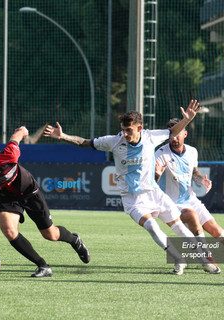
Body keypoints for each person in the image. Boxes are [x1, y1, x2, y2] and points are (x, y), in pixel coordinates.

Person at [44, 100, 219, 275]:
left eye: (129, 130)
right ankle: (177, 258)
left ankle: (205, 261)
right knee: (151, 226)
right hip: (132, 198)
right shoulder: (114, 141)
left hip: (154, 193)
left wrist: (187, 119)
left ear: (139, 128)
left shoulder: (151, 137)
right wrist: (63, 136)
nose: (125, 133)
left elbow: (173, 131)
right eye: (123, 129)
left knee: (179, 227)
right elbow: (86, 142)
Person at [0, 126, 90, 278]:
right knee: (8, 230)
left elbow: (17, 136)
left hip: (29, 192)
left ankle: (75, 240)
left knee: (50, 234)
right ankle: (43, 266)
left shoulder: (8, 155)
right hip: (7, 197)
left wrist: (23, 130)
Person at [155, 117, 224, 271]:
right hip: (171, 204)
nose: (174, 138)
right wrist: (157, 175)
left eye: (178, 134)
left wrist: (202, 180)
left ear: (185, 134)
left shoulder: (192, 151)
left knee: (217, 231)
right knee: (192, 216)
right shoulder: (160, 154)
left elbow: (194, 172)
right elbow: (153, 180)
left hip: (191, 199)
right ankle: (207, 258)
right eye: (171, 135)